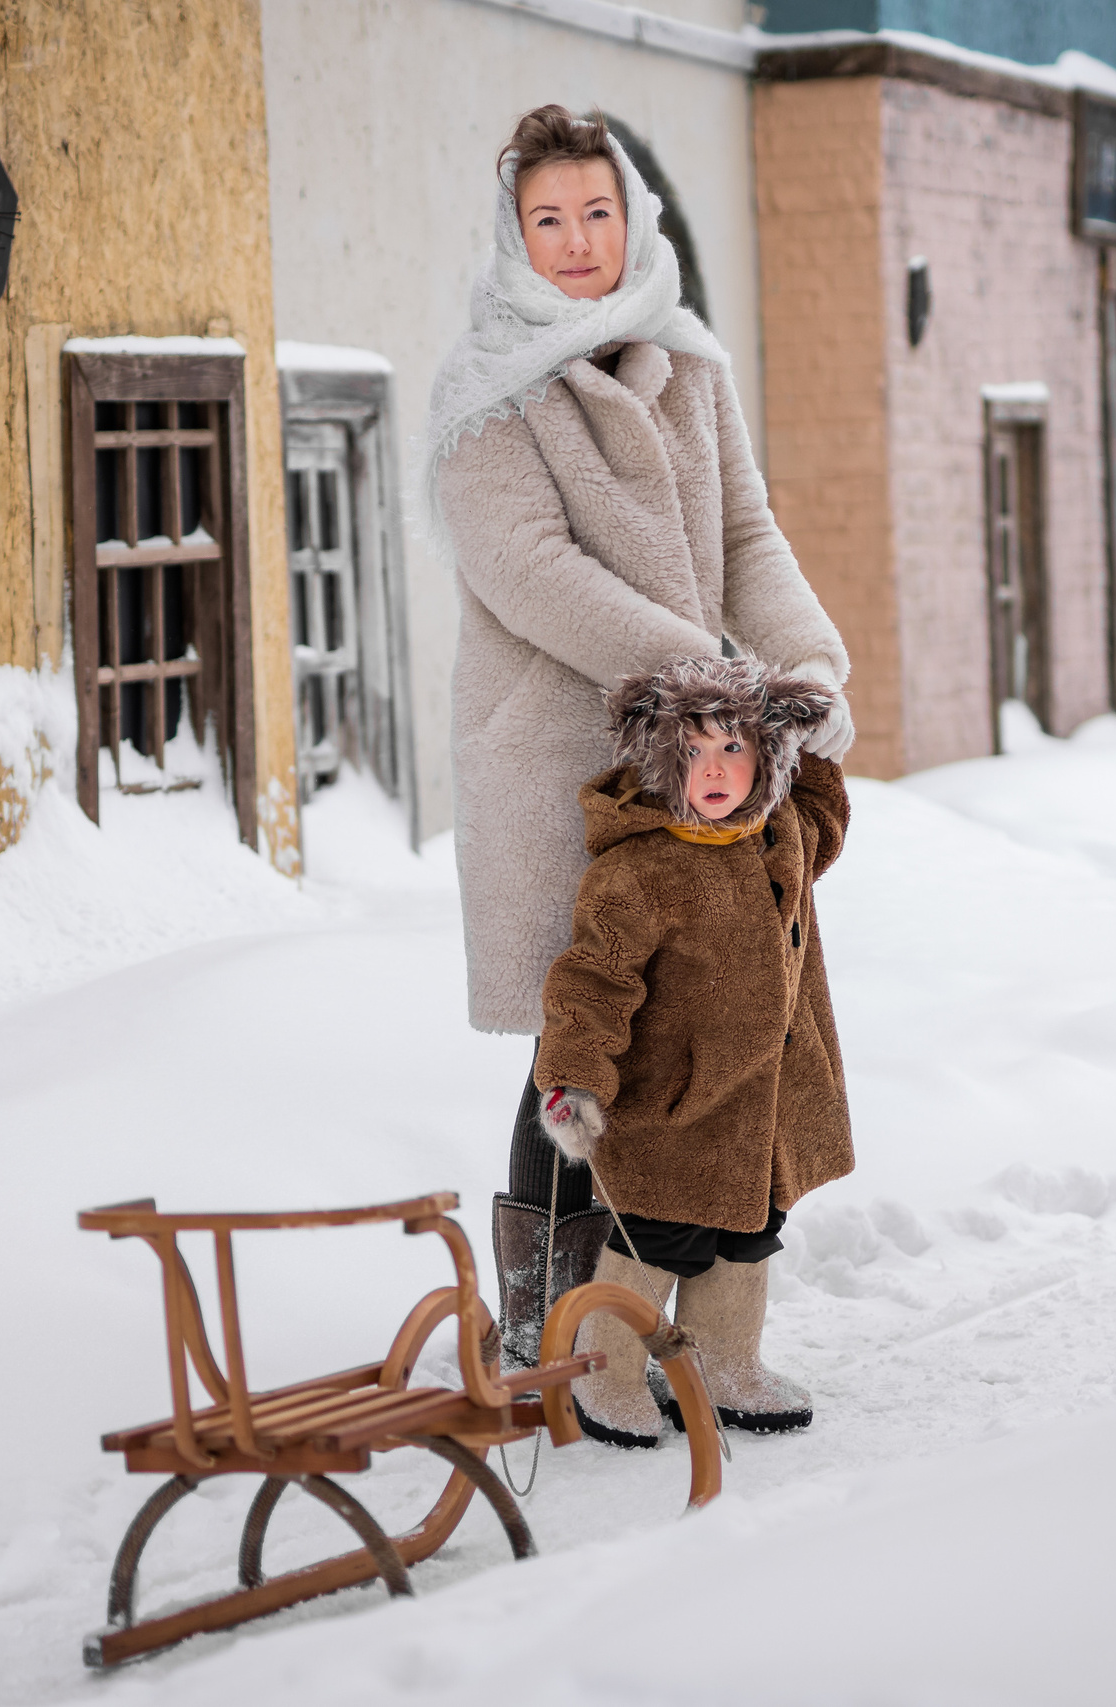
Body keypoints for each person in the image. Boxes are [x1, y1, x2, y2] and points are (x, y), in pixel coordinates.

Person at [426, 104, 853, 1362]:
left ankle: (657, 1326)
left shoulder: (687, 364)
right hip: (565, 763)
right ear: (514, 235)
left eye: (595, 214)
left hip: (704, 767)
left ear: (634, 222)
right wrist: (710, 680)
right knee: (583, 1027)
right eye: (546, 219)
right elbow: (527, 570)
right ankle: (539, 1327)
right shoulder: (485, 394)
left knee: (691, 1026)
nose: (574, 243)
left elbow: (745, 540)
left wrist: (808, 667)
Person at [532, 654, 853, 1443]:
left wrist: (819, 735)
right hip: (672, 1109)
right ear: (663, 757)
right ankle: (603, 1372)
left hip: (766, 1106)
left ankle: (722, 1363)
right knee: (660, 1236)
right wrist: (572, 1080)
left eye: (734, 748)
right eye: (694, 750)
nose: (714, 769)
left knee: (749, 1233)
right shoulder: (640, 867)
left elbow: (825, 811)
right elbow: (594, 980)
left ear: (765, 758)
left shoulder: (780, 835)